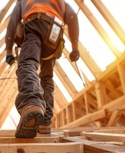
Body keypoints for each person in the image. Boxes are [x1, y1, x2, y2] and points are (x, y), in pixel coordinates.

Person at [5, 0, 80, 138]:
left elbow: (13, 21)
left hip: (35, 25)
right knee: (47, 78)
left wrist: (9, 50)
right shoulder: (59, 2)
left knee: (27, 64)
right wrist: (75, 48)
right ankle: (45, 122)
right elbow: (72, 16)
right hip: (55, 33)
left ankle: (31, 103)